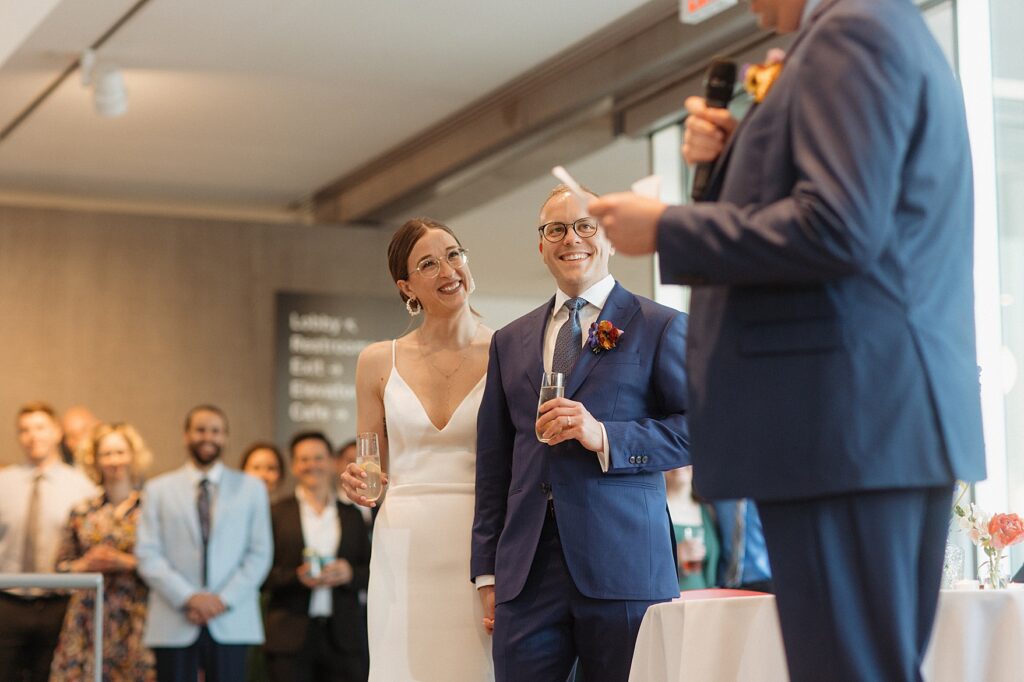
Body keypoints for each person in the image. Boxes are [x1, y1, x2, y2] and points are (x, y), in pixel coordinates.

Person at [587, 1, 986, 679]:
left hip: (847, 422)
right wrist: (730, 157)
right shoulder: (872, 26)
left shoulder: (855, 29)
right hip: (865, 420)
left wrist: (669, 229)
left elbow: (837, 226)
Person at [471, 186, 689, 682]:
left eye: (585, 225)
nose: (572, 238)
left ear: (609, 237)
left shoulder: (661, 326)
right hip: (526, 575)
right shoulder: (510, 340)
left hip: (625, 564)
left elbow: (699, 431)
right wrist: (487, 570)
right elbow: (494, 465)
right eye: (556, 229)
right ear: (541, 245)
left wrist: (605, 435)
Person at [340, 217, 495, 681]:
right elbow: (373, 470)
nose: (448, 270)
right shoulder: (376, 361)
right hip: (403, 542)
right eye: (428, 263)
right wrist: (357, 480)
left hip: (481, 543)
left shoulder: (510, 351)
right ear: (406, 286)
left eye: (453, 254)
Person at [136, 405, 273, 682]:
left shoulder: (251, 489)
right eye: (200, 430)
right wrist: (189, 597)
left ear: (225, 437)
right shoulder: (158, 489)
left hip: (232, 619)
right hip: (175, 617)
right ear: (187, 435)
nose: (207, 437)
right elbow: (147, 553)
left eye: (216, 431)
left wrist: (221, 601)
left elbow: (260, 553)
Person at [51, 422, 157, 682]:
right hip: (88, 617)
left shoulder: (152, 508)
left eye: (120, 452)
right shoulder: (82, 510)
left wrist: (126, 562)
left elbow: (169, 565)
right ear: (95, 460)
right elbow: (59, 570)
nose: (114, 460)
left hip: (136, 615)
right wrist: (84, 565)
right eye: (106, 454)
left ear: (132, 456)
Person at [0, 401, 96, 681]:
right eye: (25, 430)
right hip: (8, 602)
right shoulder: (4, 483)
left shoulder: (82, 487)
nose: (33, 436)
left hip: (59, 605)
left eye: (40, 428)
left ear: (56, 432)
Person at [264, 431, 370, 682]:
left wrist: (350, 573)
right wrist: (295, 577)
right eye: (304, 459)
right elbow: (261, 573)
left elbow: (372, 570)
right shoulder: (277, 514)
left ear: (333, 463)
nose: (312, 465)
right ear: (293, 465)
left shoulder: (352, 515)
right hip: (289, 636)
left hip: (343, 637)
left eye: (319, 458)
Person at [335, 439, 373, 528]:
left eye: (363, 462)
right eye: (351, 461)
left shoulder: (378, 507)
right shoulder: (330, 506)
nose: (357, 468)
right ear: (337, 463)